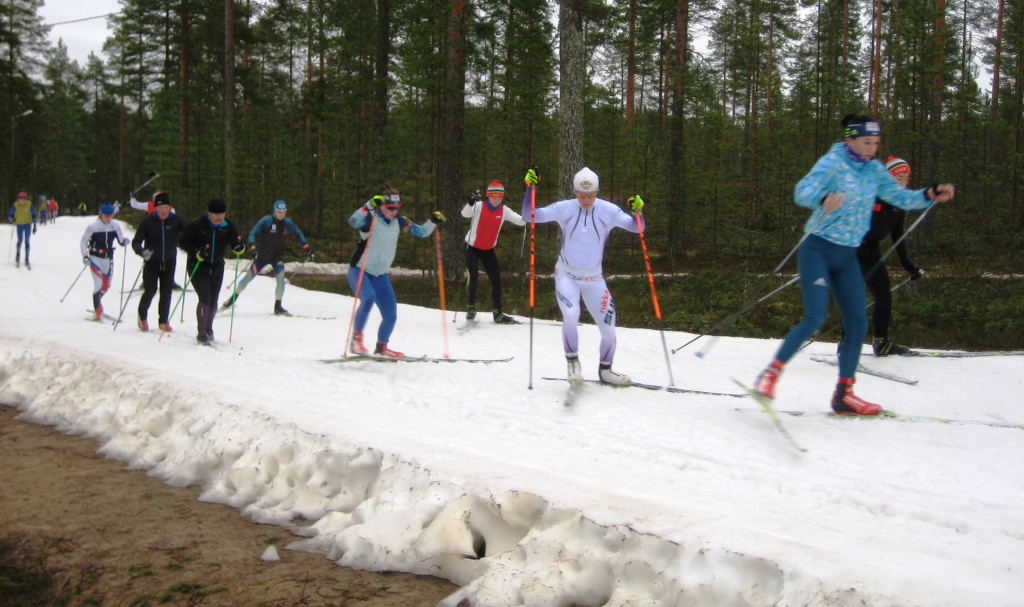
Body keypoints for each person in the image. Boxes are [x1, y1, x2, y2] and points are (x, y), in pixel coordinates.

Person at [751, 113, 954, 415]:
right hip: (818, 247)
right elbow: (801, 191)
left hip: (847, 255)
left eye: (876, 143)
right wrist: (822, 198)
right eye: (866, 142)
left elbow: (899, 196)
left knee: (858, 323)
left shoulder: (873, 170)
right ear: (850, 139)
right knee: (815, 316)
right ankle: (769, 375)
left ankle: (844, 394)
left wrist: (929, 193)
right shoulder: (832, 163)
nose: (871, 149)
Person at [521, 167, 645, 387]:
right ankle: (573, 364)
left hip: (594, 279)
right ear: (575, 192)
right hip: (566, 275)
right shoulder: (565, 208)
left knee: (608, 329)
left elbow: (637, 228)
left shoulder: (608, 210)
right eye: (581, 194)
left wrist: (638, 212)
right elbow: (529, 215)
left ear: (597, 192)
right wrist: (531, 189)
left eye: (590, 194)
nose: (586, 199)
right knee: (571, 314)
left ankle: (606, 371)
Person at [347, 183, 444, 358]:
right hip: (360, 271)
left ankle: (381, 348)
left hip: (380, 275)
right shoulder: (369, 218)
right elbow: (352, 221)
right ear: (381, 205)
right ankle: (356, 341)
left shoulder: (399, 221)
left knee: (391, 315)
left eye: (396, 208)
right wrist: (368, 206)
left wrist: (432, 222)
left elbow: (421, 232)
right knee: (368, 298)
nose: (394, 211)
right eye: (390, 208)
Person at [851, 156, 926, 356]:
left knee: (884, 294)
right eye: (899, 178)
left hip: (872, 251)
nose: (903, 182)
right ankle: (845, 344)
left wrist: (908, 265)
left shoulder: (899, 203)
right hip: (853, 248)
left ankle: (881, 343)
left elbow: (897, 236)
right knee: (853, 296)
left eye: (906, 178)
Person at [221, 199, 311, 315]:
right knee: (247, 278)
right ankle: (230, 301)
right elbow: (253, 233)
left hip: (277, 257)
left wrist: (307, 248)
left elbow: (298, 234)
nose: (281, 214)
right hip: (262, 257)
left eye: (284, 212)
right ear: (274, 211)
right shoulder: (266, 221)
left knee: (280, 278)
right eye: (279, 212)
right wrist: (252, 249)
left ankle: (278, 306)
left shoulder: (287, 223)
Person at [180, 197, 245, 343]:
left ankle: (209, 328)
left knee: (213, 299)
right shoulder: (197, 224)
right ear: (209, 213)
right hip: (197, 265)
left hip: (216, 266)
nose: (219, 217)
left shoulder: (228, 226)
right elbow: (183, 242)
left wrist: (239, 247)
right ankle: (202, 332)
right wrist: (196, 252)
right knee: (205, 296)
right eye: (216, 214)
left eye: (222, 214)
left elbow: (236, 242)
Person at [461, 180, 526, 324]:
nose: (497, 200)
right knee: (473, 275)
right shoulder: (479, 205)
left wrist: (530, 213)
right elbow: (465, 214)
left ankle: (498, 313)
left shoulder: (504, 210)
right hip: (471, 246)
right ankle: (471, 308)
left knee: (496, 279)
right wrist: (471, 202)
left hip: (487, 249)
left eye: (499, 198)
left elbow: (520, 221)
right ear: (488, 196)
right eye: (494, 197)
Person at [132, 192, 188, 332]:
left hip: (169, 261)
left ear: (170, 208)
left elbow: (188, 234)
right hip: (152, 261)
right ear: (155, 208)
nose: (163, 211)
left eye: (166, 207)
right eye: (161, 208)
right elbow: (136, 242)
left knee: (166, 291)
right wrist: (142, 252)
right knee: (150, 290)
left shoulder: (176, 220)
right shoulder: (147, 221)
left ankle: (163, 321)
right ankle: (142, 316)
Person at [81, 203, 128, 321]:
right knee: (98, 284)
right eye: (106, 216)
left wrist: (125, 242)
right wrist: (85, 256)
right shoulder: (93, 227)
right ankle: (97, 309)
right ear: (101, 215)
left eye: (110, 216)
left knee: (106, 285)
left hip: (108, 258)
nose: (108, 218)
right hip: (95, 258)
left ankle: (98, 302)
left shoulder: (115, 225)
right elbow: (83, 242)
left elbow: (121, 240)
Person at [7, 192, 36, 269]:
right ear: (18, 199)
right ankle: (17, 257)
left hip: (27, 225)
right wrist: (11, 219)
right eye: (21, 198)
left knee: (27, 241)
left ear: (26, 199)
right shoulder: (15, 205)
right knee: (19, 241)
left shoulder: (29, 204)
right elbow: (10, 215)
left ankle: (27, 259)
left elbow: (34, 215)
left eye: (24, 198)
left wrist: (35, 226)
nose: (22, 200)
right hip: (19, 225)